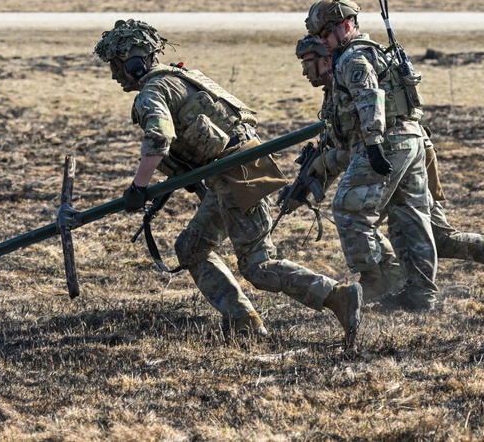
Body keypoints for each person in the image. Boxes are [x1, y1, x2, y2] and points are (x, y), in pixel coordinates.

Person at [93, 19, 362, 346]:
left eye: (116, 66)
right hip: (233, 172)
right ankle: (243, 320)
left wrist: (138, 188)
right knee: (191, 247)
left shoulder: (153, 91)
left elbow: (158, 137)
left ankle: (336, 296)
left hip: (238, 173)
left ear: (133, 63)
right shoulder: (178, 78)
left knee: (258, 266)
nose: (113, 74)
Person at [293, 35, 484, 298]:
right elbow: (349, 147)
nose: (304, 71)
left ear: (326, 59)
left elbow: (364, 147)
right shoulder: (335, 94)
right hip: (409, 153)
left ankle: (388, 282)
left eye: (308, 61)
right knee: (438, 237)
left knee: (365, 215)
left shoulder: (352, 77)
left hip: (399, 156)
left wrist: (326, 162)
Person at [305, 0, 439, 312]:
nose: (322, 42)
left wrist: (374, 141)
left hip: (386, 142)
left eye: (326, 34)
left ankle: (378, 279)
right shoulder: (372, 52)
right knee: (410, 216)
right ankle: (421, 296)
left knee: (348, 208)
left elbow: (370, 95)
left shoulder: (352, 57)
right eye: (319, 37)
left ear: (347, 25)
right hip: (411, 137)